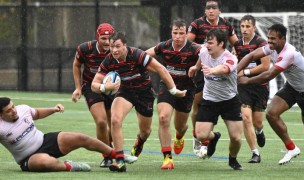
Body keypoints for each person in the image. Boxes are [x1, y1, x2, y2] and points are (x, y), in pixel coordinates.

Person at [91, 31, 186, 172]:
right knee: (115, 120)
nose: (114, 50)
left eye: (118, 46)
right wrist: (106, 87)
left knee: (145, 131)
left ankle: (140, 141)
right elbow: (94, 85)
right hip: (125, 92)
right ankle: (120, 160)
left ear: (125, 46)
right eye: (112, 47)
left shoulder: (137, 55)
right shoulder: (109, 60)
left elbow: (161, 69)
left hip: (144, 94)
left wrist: (173, 90)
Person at [0, 97, 137, 172]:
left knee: (81, 138)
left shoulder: (22, 109)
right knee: (43, 162)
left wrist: (53, 109)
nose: (14, 111)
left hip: (45, 140)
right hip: (28, 158)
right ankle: (71, 166)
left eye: (13, 106)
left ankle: (118, 156)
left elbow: (37, 113)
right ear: (1, 115)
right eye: (9, 111)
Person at [237, 23, 304, 165]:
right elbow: (251, 55)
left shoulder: (289, 53)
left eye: (273, 38)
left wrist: (246, 81)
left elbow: (268, 75)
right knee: (271, 114)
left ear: (282, 39)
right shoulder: (271, 48)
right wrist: (234, 71)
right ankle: (291, 148)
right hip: (292, 87)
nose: (269, 41)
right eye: (268, 38)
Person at [145, 19, 201, 170]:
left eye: (181, 33)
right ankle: (167, 158)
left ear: (186, 34)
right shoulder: (164, 46)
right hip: (167, 86)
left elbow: (209, 53)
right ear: (171, 33)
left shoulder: (194, 48)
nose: (178, 36)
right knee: (163, 118)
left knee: (180, 126)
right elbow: (143, 56)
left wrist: (197, 66)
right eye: (175, 33)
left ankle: (180, 136)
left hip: (187, 89)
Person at [187, 0, 239, 154]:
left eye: (214, 8)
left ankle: (208, 137)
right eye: (208, 8)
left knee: (217, 99)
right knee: (197, 104)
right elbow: (188, 43)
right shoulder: (197, 24)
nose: (210, 10)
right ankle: (198, 137)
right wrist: (197, 66)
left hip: (220, 68)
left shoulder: (226, 25)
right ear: (205, 11)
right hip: (204, 68)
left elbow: (236, 43)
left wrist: (237, 52)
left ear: (219, 11)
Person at [189, 28, 243, 170]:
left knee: (236, 138)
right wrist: (195, 67)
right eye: (207, 42)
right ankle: (214, 137)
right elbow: (201, 56)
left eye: (211, 43)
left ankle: (233, 160)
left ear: (221, 44)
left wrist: (212, 70)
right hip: (209, 100)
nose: (207, 45)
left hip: (229, 101)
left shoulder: (230, 58)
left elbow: (225, 69)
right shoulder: (204, 51)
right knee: (201, 135)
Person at [71, 23, 115, 167]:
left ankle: (110, 145)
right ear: (97, 37)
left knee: (113, 123)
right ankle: (107, 156)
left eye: (109, 38)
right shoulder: (85, 49)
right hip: (91, 87)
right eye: (103, 38)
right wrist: (78, 88)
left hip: (112, 89)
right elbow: (77, 65)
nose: (107, 42)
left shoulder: (118, 50)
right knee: (101, 122)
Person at [234, 15, 271, 163]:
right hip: (243, 87)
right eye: (242, 26)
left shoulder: (262, 43)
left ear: (254, 28)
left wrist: (246, 72)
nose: (244, 29)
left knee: (257, 122)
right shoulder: (237, 44)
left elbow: (265, 66)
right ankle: (255, 153)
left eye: (247, 26)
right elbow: (236, 62)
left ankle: (260, 131)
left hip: (260, 86)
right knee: (246, 118)